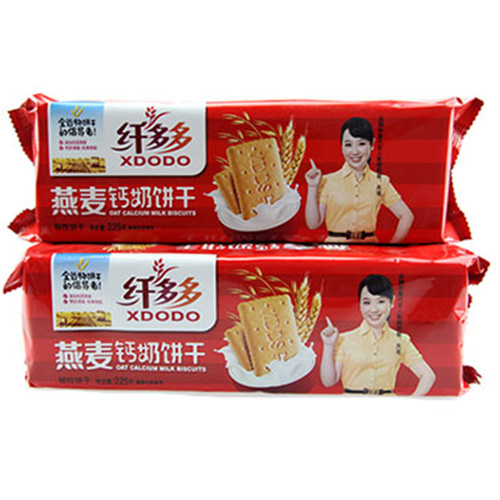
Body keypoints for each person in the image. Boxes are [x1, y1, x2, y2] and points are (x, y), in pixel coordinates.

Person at [319, 274, 436, 396]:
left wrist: (410, 403)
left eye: (380, 301)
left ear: (392, 302)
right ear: (360, 305)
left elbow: (427, 376)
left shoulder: (401, 340)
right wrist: (328, 345)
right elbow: (329, 382)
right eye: (367, 302)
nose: (373, 309)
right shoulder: (345, 339)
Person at [305, 117, 414, 243]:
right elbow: (313, 224)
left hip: (369, 249)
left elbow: (407, 216)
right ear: (342, 147)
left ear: (372, 145)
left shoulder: (381, 182)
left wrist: (391, 248)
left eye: (361, 144)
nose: (355, 151)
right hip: (335, 249)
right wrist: (312, 187)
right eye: (348, 145)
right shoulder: (327, 181)